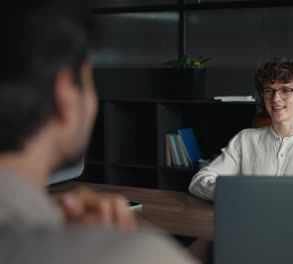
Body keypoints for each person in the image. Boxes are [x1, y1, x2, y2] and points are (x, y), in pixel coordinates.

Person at [0, 2, 194, 264]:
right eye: (91, 81)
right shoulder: (138, 255)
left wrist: (52, 215)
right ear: (65, 96)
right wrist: (124, 241)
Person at [189, 57, 293, 200]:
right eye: (269, 91)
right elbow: (200, 180)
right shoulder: (245, 139)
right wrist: (235, 193)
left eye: (286, 90)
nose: (276, 98)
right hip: (252, 228)